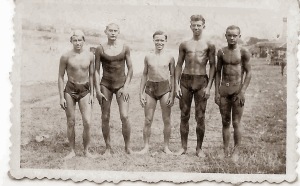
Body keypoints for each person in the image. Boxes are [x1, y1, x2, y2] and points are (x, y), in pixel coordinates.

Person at [175, 15, 216, 157]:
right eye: (194, 25)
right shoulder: (184, 44)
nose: (196, 28)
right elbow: (179, 64)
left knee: (200, 116)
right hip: (185, 81)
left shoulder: (209, 45)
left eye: (199, 25)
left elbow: (212, 66)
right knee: (184, 115)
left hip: (201, 81)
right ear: (190, 26)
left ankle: (199, 149)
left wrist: (209, 86)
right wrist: (176, 84)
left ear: (204, 26)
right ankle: (183, 147)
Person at [94, 23, 133, 155]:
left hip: (121, 85)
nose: (113, 33)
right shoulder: (100, 49)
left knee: (125, 115)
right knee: (105, 117)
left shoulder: (125, 47)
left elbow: (131, 69)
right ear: (105, 31)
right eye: (110, 30)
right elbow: (96, 71)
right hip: (106, 85)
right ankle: (108, 147)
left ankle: (127, 147)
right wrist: (98, 90)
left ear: (119, 32)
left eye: (115, 30)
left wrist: (126, 87)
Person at [215, 25, 251, 158]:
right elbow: (218, 72)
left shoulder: (243, 52)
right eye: (229, 35)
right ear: (225, 36)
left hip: (237, 90)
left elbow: (249, 73)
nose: (232, 38)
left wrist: (243, 91)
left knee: (236, 122)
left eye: (235, 35)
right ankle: (225, 150)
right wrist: (216, 92)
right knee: (225, 122)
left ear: (239, 36)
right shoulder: (221, 52)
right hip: (224, 89)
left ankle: (236, 151)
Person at [58, 30, 95, 159]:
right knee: (71, 121)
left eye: (80, 40)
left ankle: (86, 150)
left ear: (84, 41)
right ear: (71, 41)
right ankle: (72, 151)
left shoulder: (90, 56)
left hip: (85, 90)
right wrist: (61, 97)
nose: (78, 43)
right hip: (70, 90)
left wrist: (92, 93)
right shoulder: (65, 56)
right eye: (75, 40)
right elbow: (61, 76)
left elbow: (91, 75)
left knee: (87, 122)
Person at [138, 31, 175, 154]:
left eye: (162, 40)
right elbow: (144, 74)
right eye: (157, 40)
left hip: (164, 88)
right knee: (148, 119)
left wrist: (172, 93)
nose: (159, 42)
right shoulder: (148, 57)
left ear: (165, 41)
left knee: (166, 120)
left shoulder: (170, 57)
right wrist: (141, 93)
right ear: (153, 40)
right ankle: (146, 146)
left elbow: (173, 76)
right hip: (150, 88)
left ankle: (166, 147)